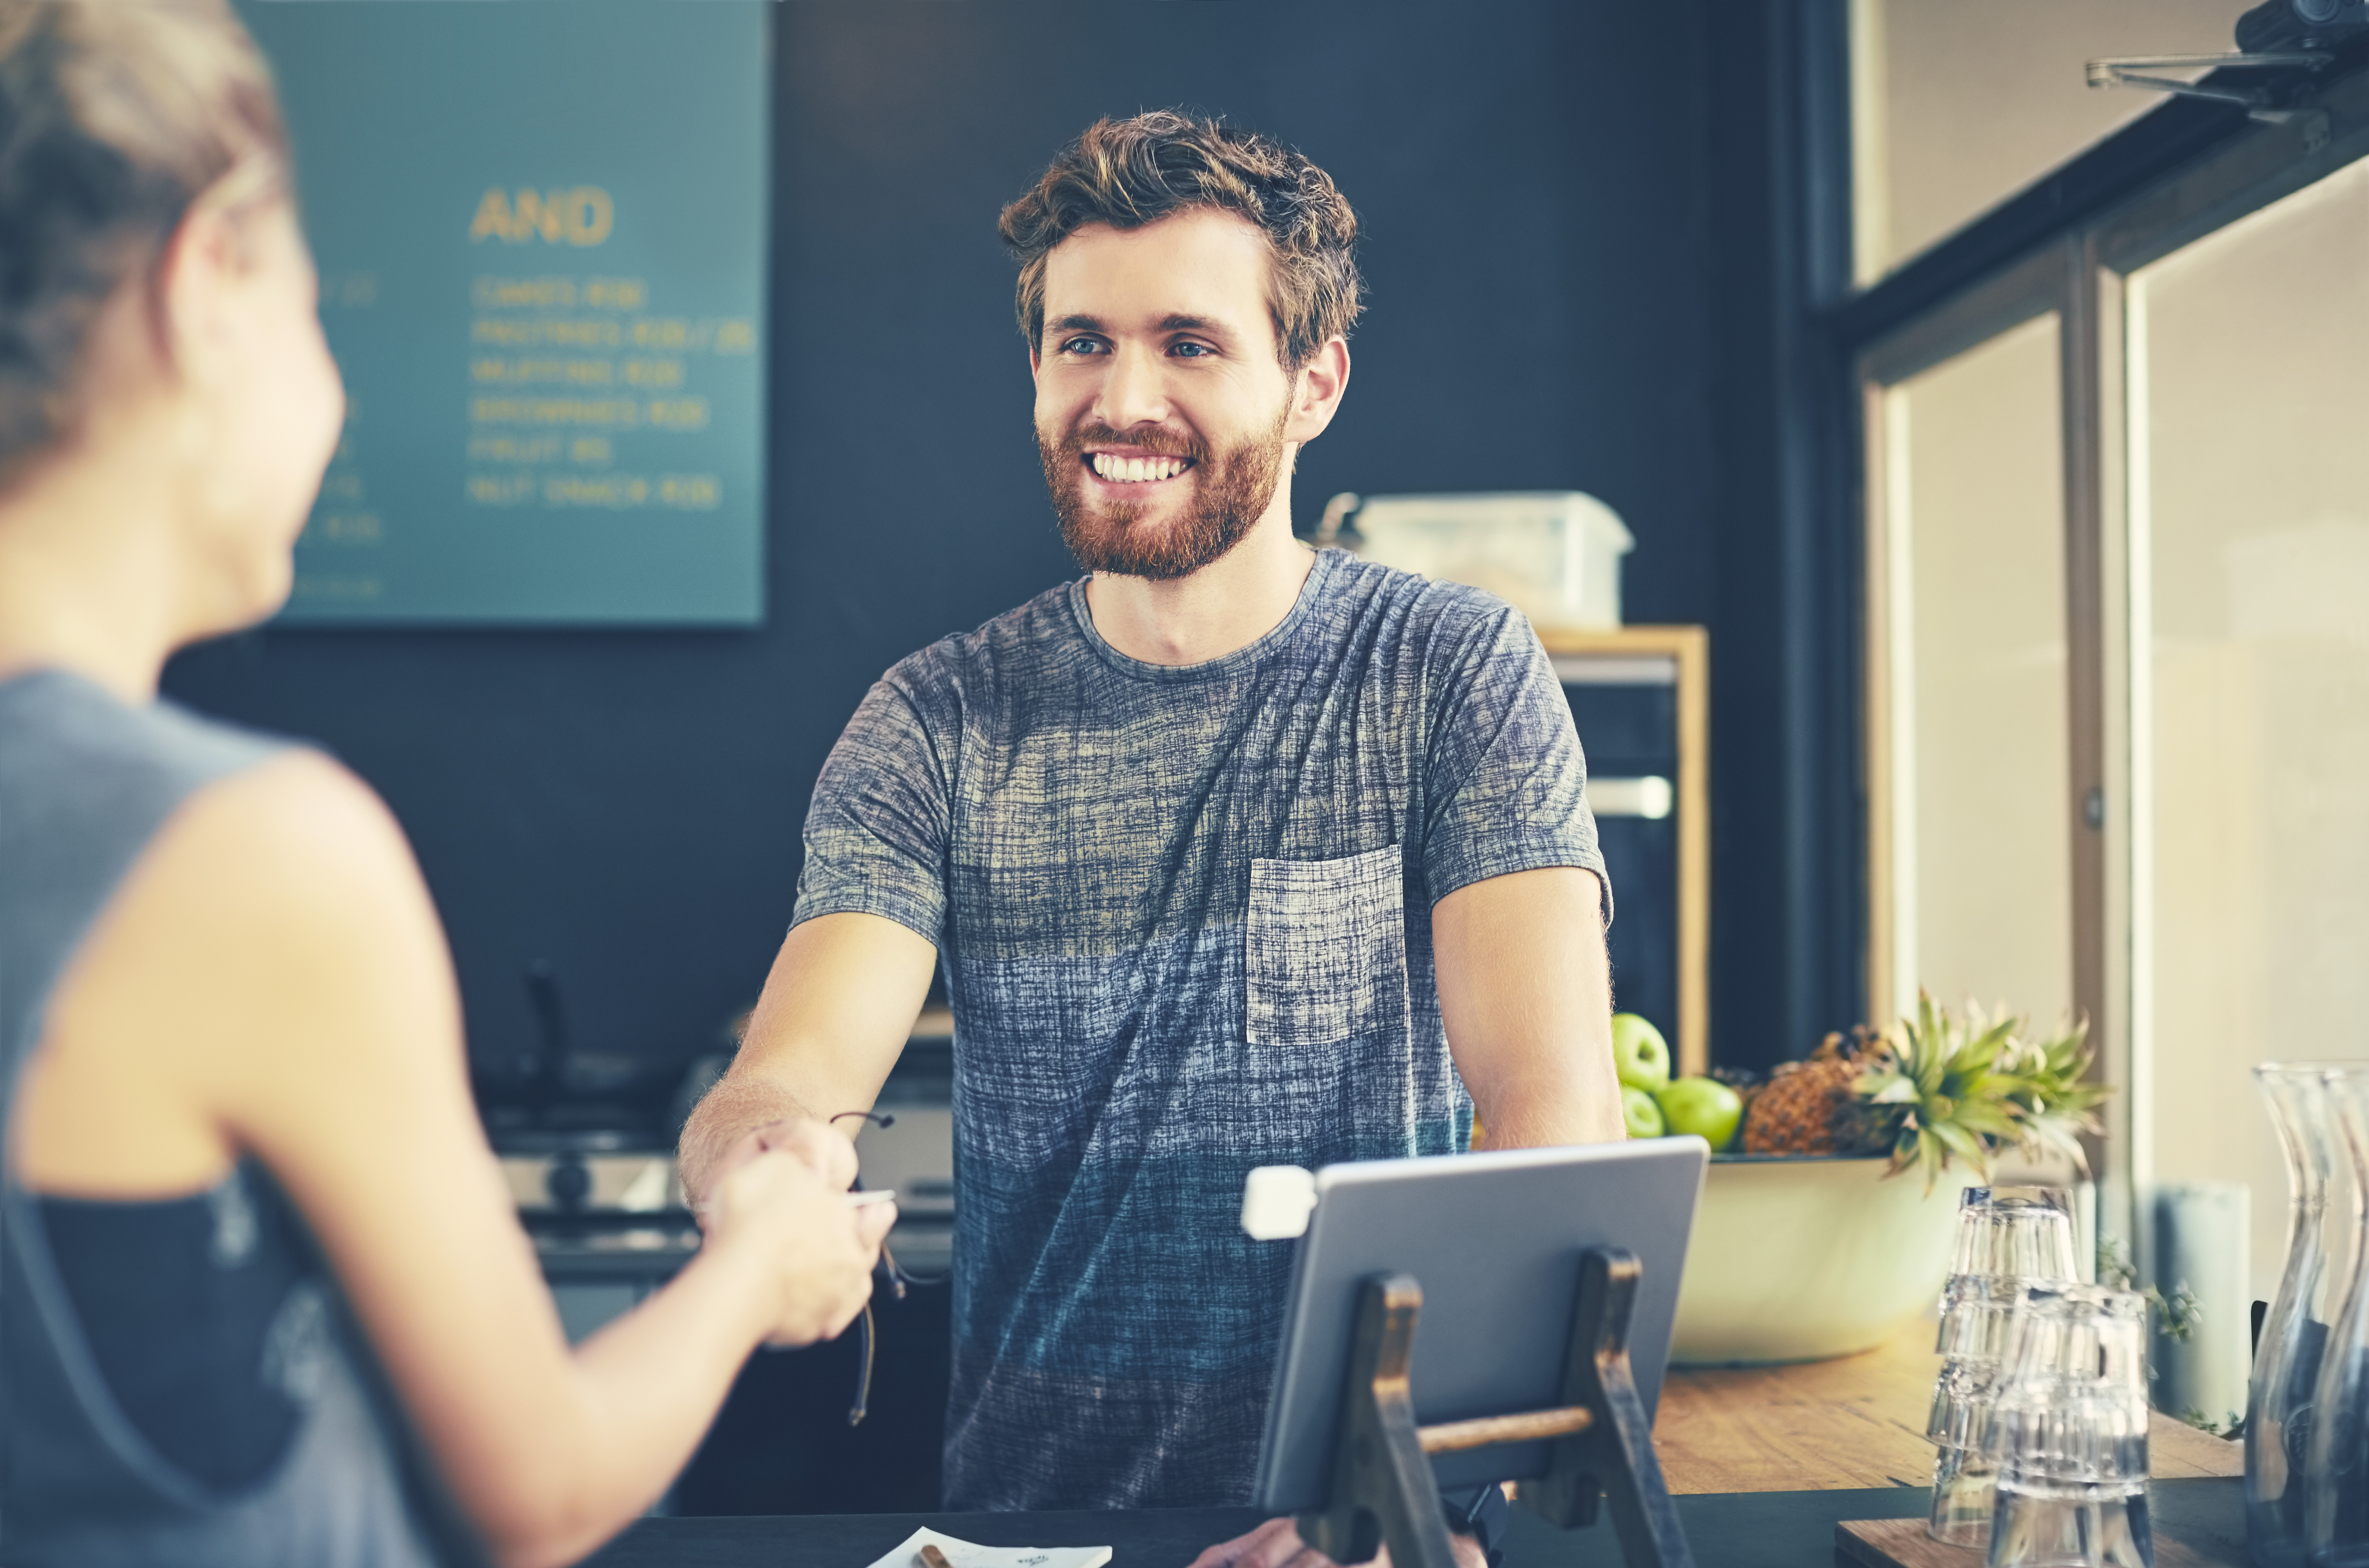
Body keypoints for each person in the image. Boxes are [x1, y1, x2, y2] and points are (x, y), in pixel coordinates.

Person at [0, 6, 892, 1565]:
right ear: (207, 281)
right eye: (316, 302)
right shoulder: (245, 856)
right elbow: (534, 1491)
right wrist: (762, 1265)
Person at [680, 108, 1625, 1548]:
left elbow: (1551, 1132)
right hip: (1031, 1530)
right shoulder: (936, 719)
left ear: (1315, 384)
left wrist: (1365, 1522)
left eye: (1190, 344)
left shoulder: (1451, 674)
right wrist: (768, 1174)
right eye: (1082, 342)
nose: (1123, 400)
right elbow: (787, 1079)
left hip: (1365, 1526)